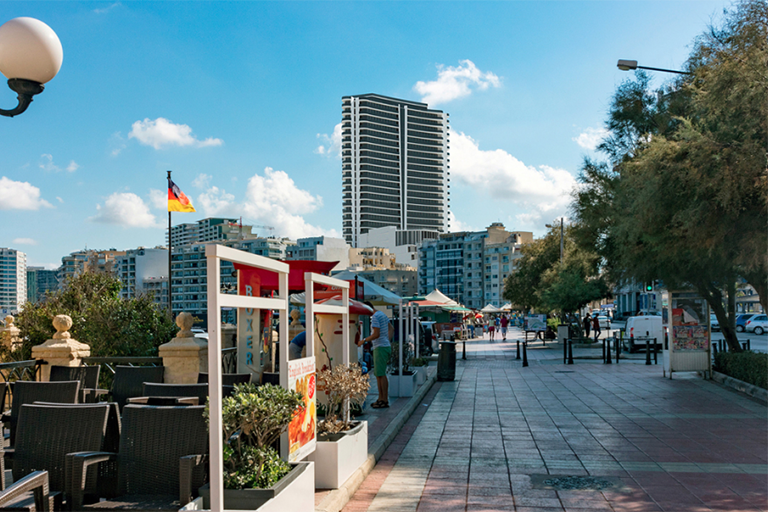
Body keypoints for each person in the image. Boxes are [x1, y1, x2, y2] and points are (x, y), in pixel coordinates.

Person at [357, 301, 393, 408]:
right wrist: (387, 340)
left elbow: (376, 334)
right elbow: (391, 328)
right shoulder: (382, 314)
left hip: (380, 347)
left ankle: (383, 399)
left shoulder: (375, 317)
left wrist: (363, 340)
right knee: (379, 374)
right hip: (385, 346)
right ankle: (381, 398)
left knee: (380, 375)